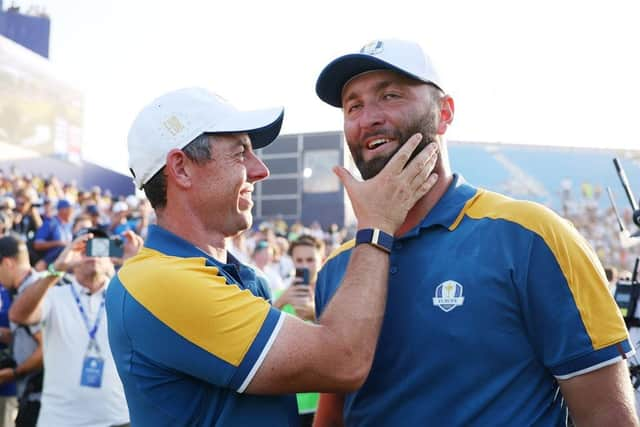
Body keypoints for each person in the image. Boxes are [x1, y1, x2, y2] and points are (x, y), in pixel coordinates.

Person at [312, 39, 638, 426]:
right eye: (354, 105)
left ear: (444, 113)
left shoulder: (531, 236)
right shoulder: (338, 267)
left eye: (391, 95)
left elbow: (607, 416)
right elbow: (331, 417)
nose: (369, 118)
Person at [106, 87, 438, 426]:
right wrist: (376, 225)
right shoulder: (160, 281)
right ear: (181, 168)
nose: (260, 169)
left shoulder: (231, 274)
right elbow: (343, 360)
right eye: (240, 154)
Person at [9, 228, 138, 427]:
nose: (93, 255)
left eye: (100, 248)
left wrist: (137, 264)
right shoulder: (54, 295)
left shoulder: (125, 295)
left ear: (112, 256)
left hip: (118, 418)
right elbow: (18, 315)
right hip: (60, 420)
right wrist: (57, 268)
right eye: (85, 247)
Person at [273, 235, 325, 426]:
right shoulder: (280, 297)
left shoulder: (333, 296)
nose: (305, 265)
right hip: (292, 399)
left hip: (326, 397)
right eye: (299, 260)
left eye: (310, 260)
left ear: (321, 260)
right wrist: (280, 302)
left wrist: (316, 314)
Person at [0, 235, 45, 427]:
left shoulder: (32, 292)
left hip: (40, 399)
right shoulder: (26, 288)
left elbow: (47, 347)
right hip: (32, 395)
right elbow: (28, 336)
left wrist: (14, 373)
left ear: (8, 263)